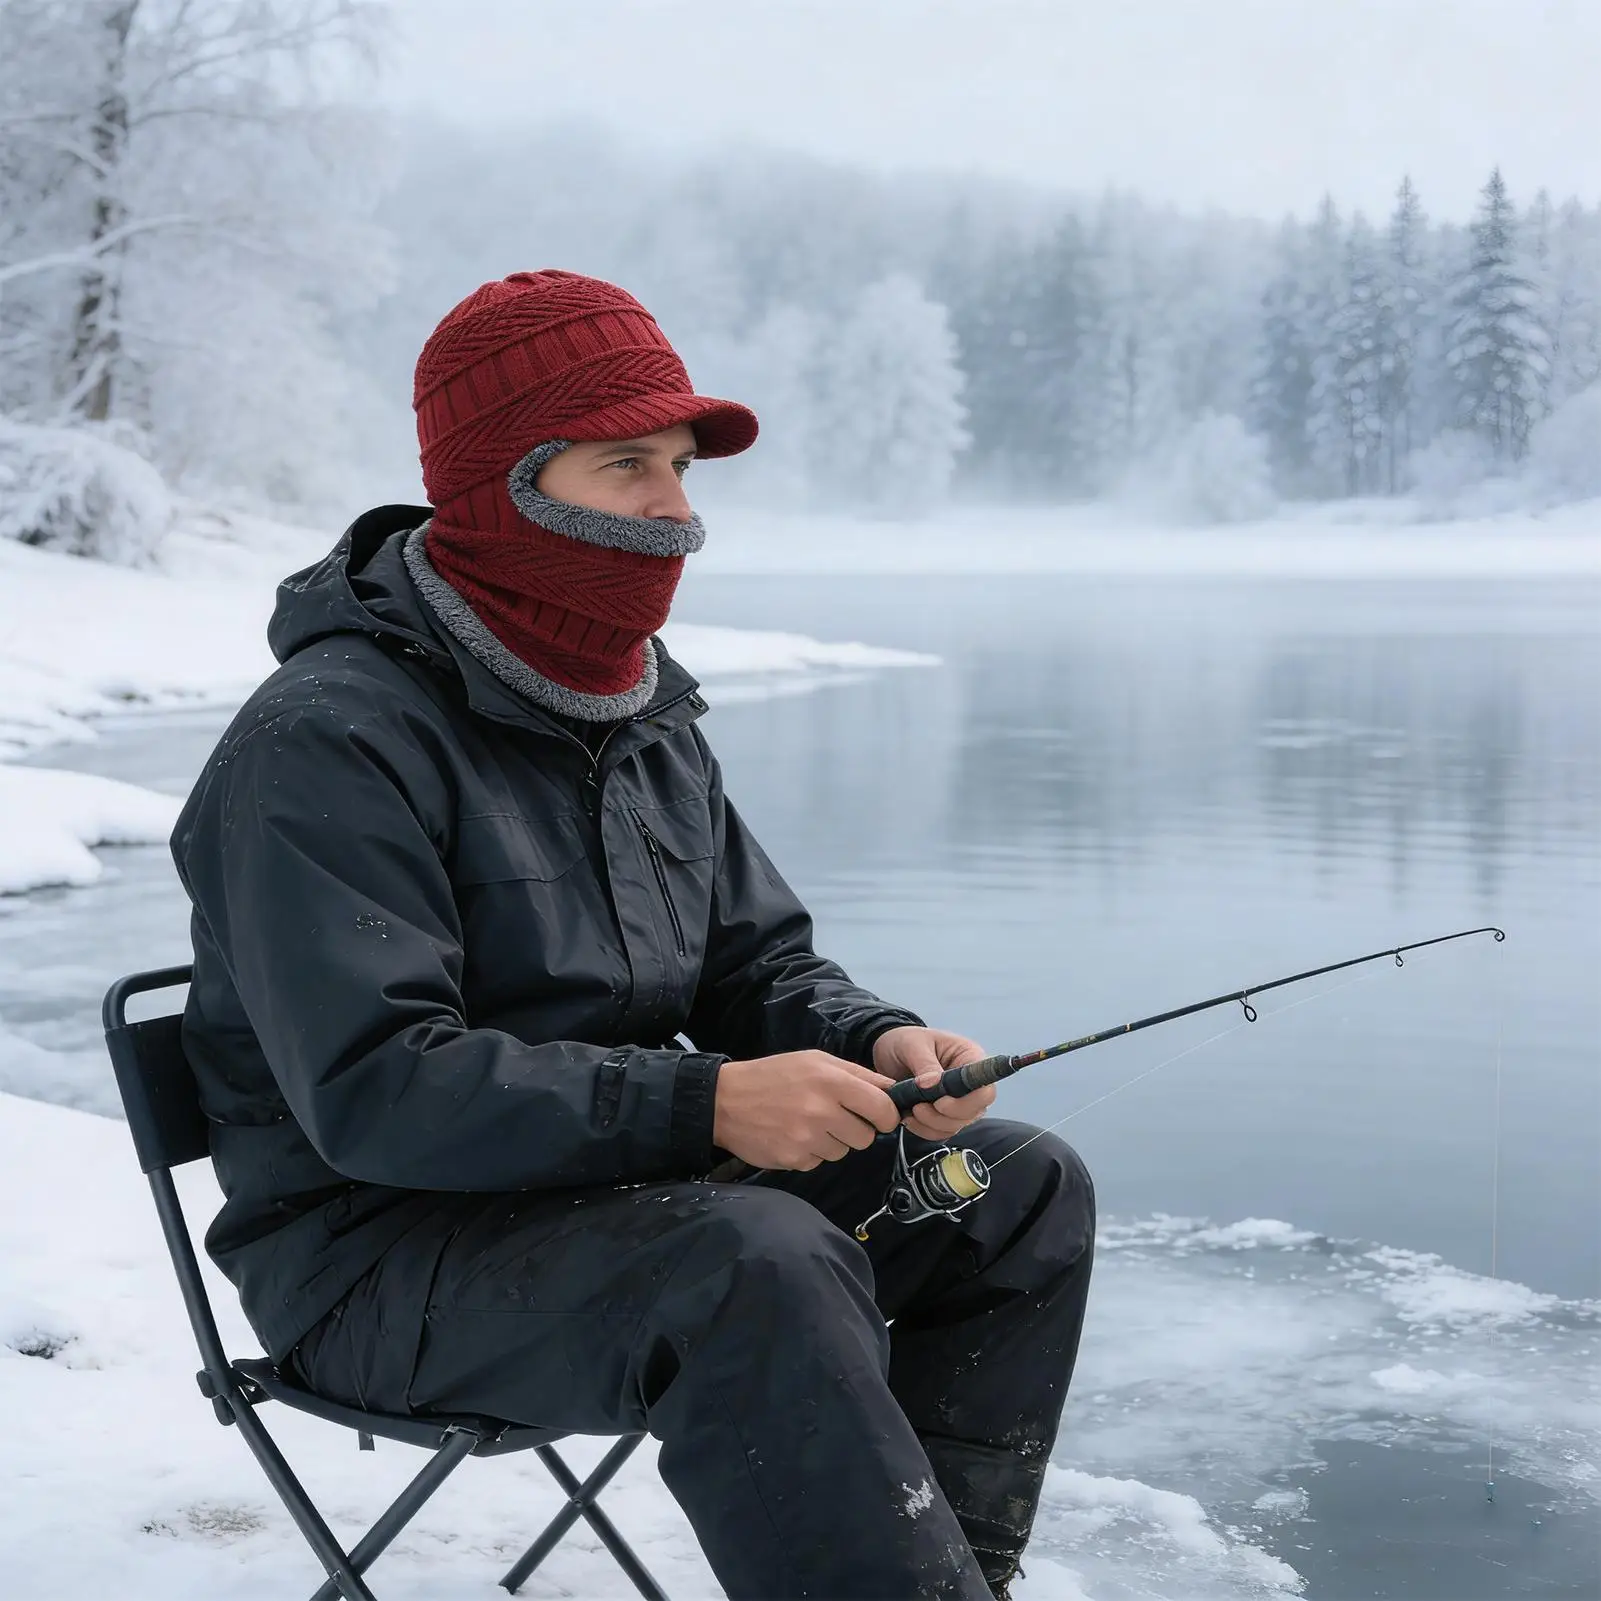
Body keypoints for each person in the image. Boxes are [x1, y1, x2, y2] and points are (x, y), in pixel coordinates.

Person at [171, 269, 1095, 1600]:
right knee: (753, 1264)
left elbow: (753, 965)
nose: (677, 511)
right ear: (506, 489)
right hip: (375, 1263)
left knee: (1014, 1187)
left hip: (599, 1210)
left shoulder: (640, 722)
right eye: (628, 468)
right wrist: (713, 1104)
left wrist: (873, 1040)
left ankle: (944, 1578)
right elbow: (380, 1092)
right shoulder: (326, 741)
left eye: (679, 468)